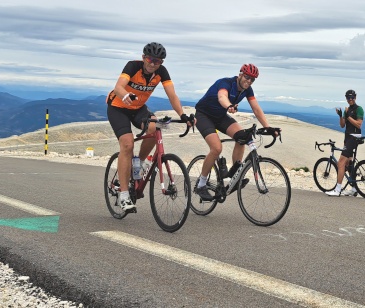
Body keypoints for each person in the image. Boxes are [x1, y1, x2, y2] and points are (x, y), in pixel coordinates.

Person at [106, 42, 193, 212]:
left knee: (155, 127)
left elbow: (172, 95)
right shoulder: (133, 66)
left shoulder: (161, 72)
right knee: (127, 144)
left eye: (158, 61)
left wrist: (182, 115)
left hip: (138, 109)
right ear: (143, 58)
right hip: (118, 107)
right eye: (150, 59)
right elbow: (118, 87)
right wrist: (125, 95)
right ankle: (124, 195)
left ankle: (139, 164)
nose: (153, 64)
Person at [192, 64, 279, 201]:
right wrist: (229, 106)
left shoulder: (248, 90)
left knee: (243, 136)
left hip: (220, 117)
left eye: (252, 79)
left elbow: (256, 109)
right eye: (247, 77)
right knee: (216, 148)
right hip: (203, 116)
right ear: (240, 75)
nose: (249, 81)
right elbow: (222, 97)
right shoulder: (226, 82)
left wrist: (268, 127)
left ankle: (235, 173)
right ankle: (201, 184)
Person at [327, 89, 364, 196]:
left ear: (355, 98)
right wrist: (341, 116)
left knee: (341, 162)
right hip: (347, 138)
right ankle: (354, 188)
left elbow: (358, 124)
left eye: (352, 97)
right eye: (348, 98)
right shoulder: (346, 110)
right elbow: (342, 125)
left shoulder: (359, 109)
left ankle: (337, 190)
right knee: (348, 164)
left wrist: (348, 116)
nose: (350, 99)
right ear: (346, 98)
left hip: (354, 137)